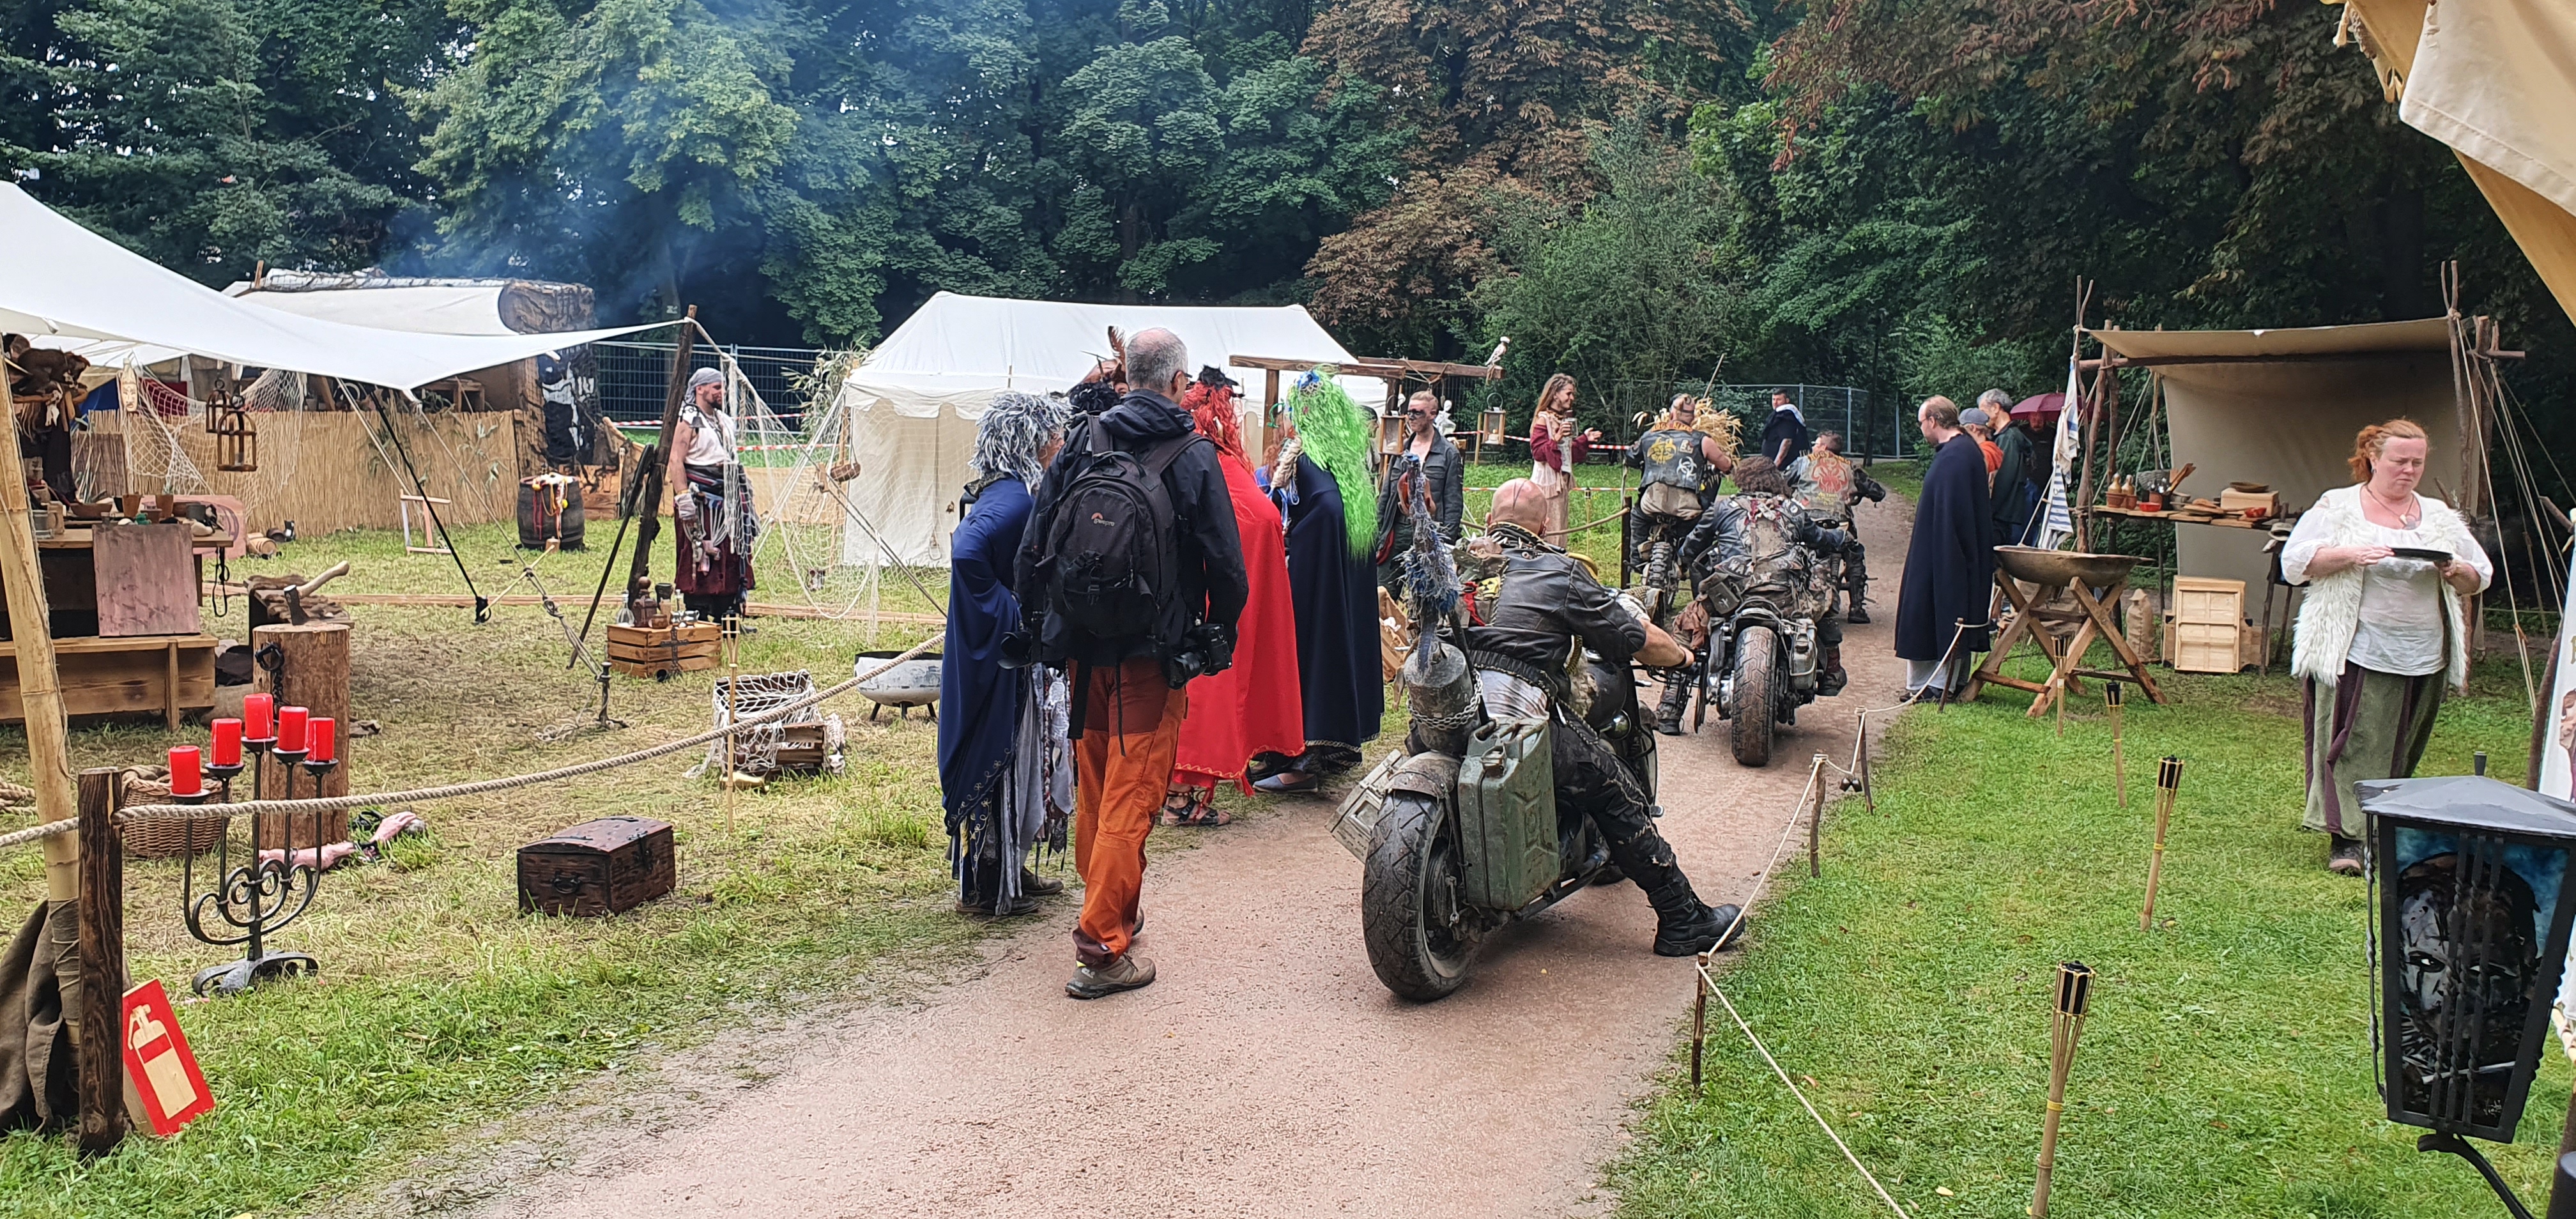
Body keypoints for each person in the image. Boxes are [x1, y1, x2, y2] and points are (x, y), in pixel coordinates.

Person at [1016, 328, 1249, 999]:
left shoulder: (1084, 439)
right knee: (1134, 791)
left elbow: (1035, 542)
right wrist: (1218, 632)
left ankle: (1114, 905)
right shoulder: (1193, 455)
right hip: (1152, 651)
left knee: (1098, 783)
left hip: (1082, 647)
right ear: (1178, 383)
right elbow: (1226, 564)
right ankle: (1101, 946)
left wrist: (1038, 626)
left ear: (1127, 375)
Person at [1468, 479, 1744, 954]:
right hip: (1515, 725)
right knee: (1615, 790)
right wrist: (1681, 657)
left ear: (1490, 521)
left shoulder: (1454, 564)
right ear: (1547, 526)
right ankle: (1683, 918)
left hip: (1447, 719)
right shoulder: (1560, 572)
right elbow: (1631, 637)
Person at [2283, 419, 2490, 876]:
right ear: (2373, 458)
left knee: (2403, 744)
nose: (2409, 470)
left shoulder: (2438, 515)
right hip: (2357, 646)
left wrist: (2456, 570)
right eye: (2400, 461)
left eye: (2417, 462)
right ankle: (2348, 839)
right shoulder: (2339, 507)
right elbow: (2295, 563)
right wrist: (2351, 555)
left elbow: (2479, 575)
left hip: (2423, 650)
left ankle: (2382, 828)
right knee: (2354, 741)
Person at [938, 392, 1073, 917]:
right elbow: (967, 552)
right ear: (1032, 443)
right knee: (1005, 759)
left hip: (1002, 658)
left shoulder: (1009, 492)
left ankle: (1007, 870)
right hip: (1000, 661)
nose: (1059, 444)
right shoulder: (1014, 500)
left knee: (1020, 761)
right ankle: (987, 884)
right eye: (1053, 437)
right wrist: (1009, 609)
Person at [1165, 369, 1304, 824]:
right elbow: (1260, 522)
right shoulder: (1214, 465)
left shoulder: (1178, 458)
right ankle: (1179, 797)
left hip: (1182, 602)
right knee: (1206, 686)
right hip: (1212, 604)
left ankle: (1174, 790)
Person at [1253, 372, 1384, 793]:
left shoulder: (1310, 459)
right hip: (1335, 583)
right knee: (1322, 655)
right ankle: (1288, 752)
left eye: (1291, 411)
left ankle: (1302, 764)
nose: (1286, 419)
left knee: (1311, 656)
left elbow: (1326, 511)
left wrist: (1299, 545)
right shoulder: (1345, 462)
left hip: (1317, 582)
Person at [1678, 456, 1856, 709]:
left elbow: (1690, 548)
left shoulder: (1723, 508)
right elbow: (1820, 539)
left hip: (1731, 596)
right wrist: (1841, 537)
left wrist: (1690, 561)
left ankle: (1670, 707)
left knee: (1687, 626)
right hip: (1784, 597)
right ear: (1776, 480)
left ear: (1742, 480)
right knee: (1824, 594)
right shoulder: (1792, 509)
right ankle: (1832, 671)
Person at [1894, 397, 1993, 700]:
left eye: (1921, 422)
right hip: (1942, 549)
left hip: (1945, 554)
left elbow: (1954, 517)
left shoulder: (1956, 458)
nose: (1921, 429)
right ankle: (1945, 681)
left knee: (1935, 611)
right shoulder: (1961, 450)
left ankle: (1936, 685)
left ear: (1933, 421)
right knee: (1938, 610)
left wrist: (1945, 559)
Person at [670, 367, 758, 624]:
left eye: (723, 388)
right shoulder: (689, 418)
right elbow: (675, 459)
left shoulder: (724, 420)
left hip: (728, 497)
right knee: (700, 552)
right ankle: (699, 611)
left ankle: (726, 612)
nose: (722, 393)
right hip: (701, 499)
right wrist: (683, 497)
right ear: (700, 389)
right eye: (717, 388)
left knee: (731, 553)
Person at [1624, 393, 1735, 577]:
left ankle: (1636, 561)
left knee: (1638, 517)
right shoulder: (1703, 440)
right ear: (1693, 417)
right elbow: (1726, 466)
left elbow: (1630, 457)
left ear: (1671, 414)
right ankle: (1697, 571)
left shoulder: (1649, 436)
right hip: (1687, 510)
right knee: (1703, 533)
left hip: (1652, 504)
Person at [1373, 390, 1466, 594]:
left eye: (1418, 412)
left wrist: (1447, 541)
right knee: (1383, 593)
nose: (1412, 417)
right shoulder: (1400, 448)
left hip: (1430, 532)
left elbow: (1453, 500)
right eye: (1409, 412)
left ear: (1433, 414)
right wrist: (1378, 533)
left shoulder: (1448, 453)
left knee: (1427, 597)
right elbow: (1386, 492)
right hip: (1397, 529)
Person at [1788, 431, 1885, 624]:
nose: (1813, 447)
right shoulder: (1851, 467)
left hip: (1807, 524)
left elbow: (1783, 481)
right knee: (1854, 553)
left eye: (1816, 444)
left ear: (1824, 447)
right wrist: (1860, 495)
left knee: (1790, 547)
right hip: (1840, 525)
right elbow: (1877, 492)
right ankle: (1857, 608)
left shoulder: (1803, 462)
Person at [1528, 374, 1600, 544]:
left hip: (1561, 483)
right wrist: (1557, 437)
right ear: (1555, 394)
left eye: (1572, 394)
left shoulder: (1563, 419)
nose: (1572, 398)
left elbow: (1565, 453)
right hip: (1547, 485)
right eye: (1568, 393)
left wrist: (1584, 439)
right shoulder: (1543, 419)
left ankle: (1559, 557)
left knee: (1560, 529)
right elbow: (1538, 453)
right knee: (1549, 530)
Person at [1982, 389, 2037, 546]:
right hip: (2011, 515)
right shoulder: (2009, 435)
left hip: (2008, 517)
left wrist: (1988, 511)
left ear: (1995, 408)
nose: (1982, 417)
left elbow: (2003, 480)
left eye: (1983, 410)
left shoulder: (2009, 438)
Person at [1759, 388, 1809, 466]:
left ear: (1787, 401)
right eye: (1773, 399)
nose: (1775, 403)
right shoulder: (1778, 415)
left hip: (1782, 467)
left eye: (1779, 400)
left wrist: (1776, 465)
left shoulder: (1786, 416)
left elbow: (1787, 442)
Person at [1958, 406, 2004, 479]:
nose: (1960, 434)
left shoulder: (1984, 453)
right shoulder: (1992, 449)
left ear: (1973, 428)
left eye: (1962, 430)